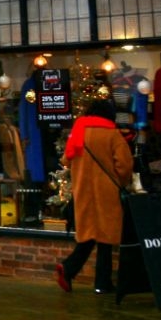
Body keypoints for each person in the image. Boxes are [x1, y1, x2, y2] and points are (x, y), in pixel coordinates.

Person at [56, 98, 132, 294]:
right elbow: (124, 165)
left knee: (90, 234)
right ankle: (96, 279)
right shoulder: (112, 134)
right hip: (106, 192)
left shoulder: (79, 130)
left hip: (83, 191)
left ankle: (86, 276)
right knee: (105, 236)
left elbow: (66, 159)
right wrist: (122, 183)